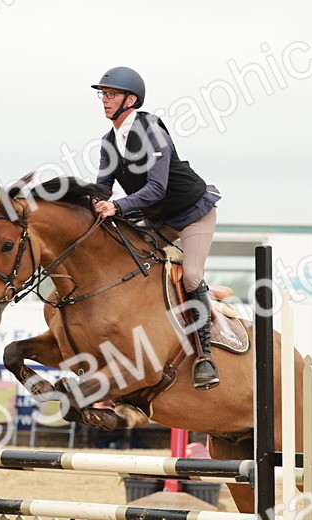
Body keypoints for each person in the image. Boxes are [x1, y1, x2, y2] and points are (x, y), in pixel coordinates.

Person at [90, 66, 222, 391]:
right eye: (103, 94)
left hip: (193, 212)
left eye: (111, 94)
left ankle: (205, 357)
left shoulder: (152, 132)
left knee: (191, 276)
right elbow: (102, 188)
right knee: (127, 263)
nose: (104, 100)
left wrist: (117, 206)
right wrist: (86, 204)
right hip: (159, 220)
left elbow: (156, 189)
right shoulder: (109, 142)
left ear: (130, 99)